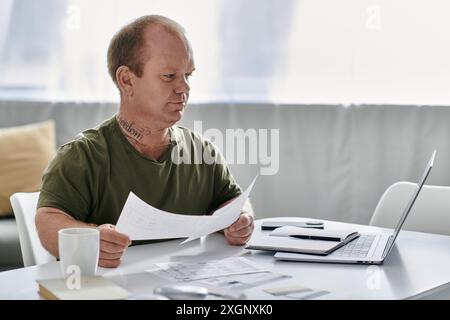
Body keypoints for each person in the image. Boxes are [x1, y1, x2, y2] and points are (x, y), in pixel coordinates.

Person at [35, 15, 255, 268]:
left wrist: (242, 218)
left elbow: (233, 201)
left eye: (188, 75)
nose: (184, 88)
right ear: (127, 80)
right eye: (169, 76)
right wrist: (93, 239)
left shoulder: (202, 151)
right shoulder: (82, 157)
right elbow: (48, 220)